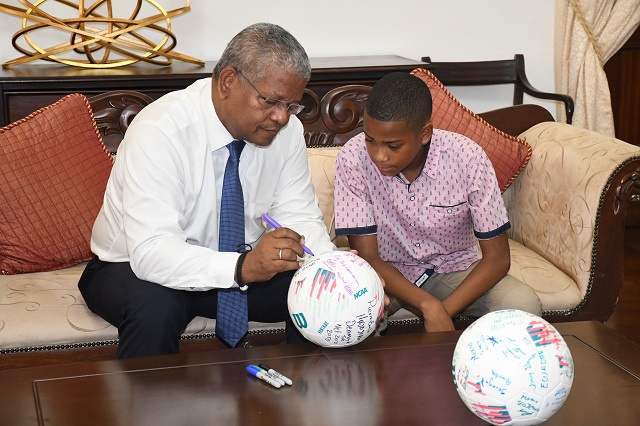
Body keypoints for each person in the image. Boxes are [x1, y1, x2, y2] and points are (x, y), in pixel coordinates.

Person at [78, 23, 336, 359]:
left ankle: (297, 403)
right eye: (271, 101)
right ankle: (147, 411)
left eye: (291, 106)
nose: (281, 118)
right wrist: (242, 267)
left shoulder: (287, 134)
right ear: (228, 81)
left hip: (238, 264)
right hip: (130, 266)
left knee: (319, 293)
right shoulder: (161, 130)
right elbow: (153, 251)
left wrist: (339, 273)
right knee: (155, 308)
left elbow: (298, 216)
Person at [333, 72, 541, 334]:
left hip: (455, 268)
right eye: (370, 140)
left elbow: (498, 259)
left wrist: (443, 310)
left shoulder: (468, 158)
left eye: (393, 146)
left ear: (424, 134)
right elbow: (368, 256)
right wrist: (428, 305)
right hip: (386, 275)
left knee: (523, 303)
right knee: (343, 316)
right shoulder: (353, 159)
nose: (379, 156)